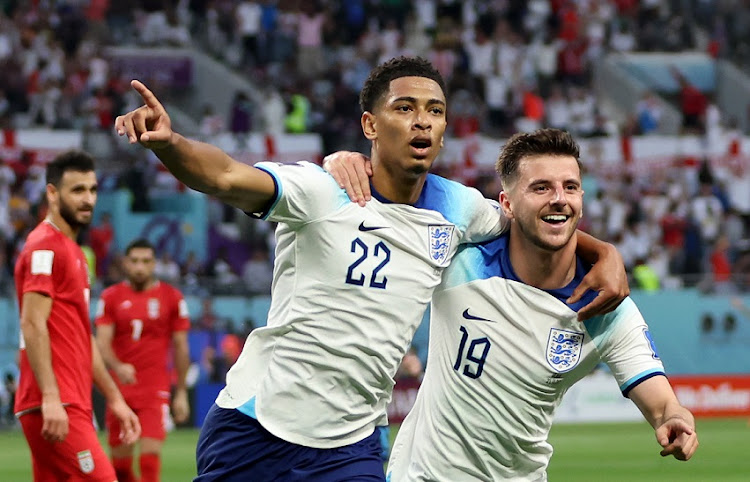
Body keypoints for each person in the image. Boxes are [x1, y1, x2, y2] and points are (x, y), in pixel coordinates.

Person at [115, 57, 626, 481]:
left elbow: (535, 220)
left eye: (435, 111)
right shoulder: (322, 190)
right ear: (370, 124)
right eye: (404, 108)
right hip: (259, 423)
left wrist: (604, 252)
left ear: (445, 131)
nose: (422, 121)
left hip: (352, 448)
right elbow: (227, 175)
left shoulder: (461, 208)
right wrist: (171, 143)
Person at [384, 129, 698, 480]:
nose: (559, 199)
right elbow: (391, 182)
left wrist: (673, 418)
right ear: (506, 204)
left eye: (570, 187)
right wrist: (346, 162)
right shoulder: (461, 257)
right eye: (541, 187)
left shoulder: (605, 306)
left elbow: (663, 403)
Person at [14, 150, 141, 481]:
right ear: (52, 193)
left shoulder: (75, 253)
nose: (88, 199)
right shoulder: (44, 246)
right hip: (57, 403)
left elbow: (83, 337)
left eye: (92, 189)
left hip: (72, 400)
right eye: (77, 190)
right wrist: (51, 399)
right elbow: (32, 321)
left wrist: (114, 398)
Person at [95, 238, 191, 482]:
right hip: (119, 390)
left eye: (146, 261)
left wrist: (180, 392)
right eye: (135, 261)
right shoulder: (110, 297)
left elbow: (181, 346)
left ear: (154, 264)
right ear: (126, 263)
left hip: (154, 389)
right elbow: (102, 343)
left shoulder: (172, 297)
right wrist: (117, 366)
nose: (140, 267)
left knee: (149, 462)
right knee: (121, 468)